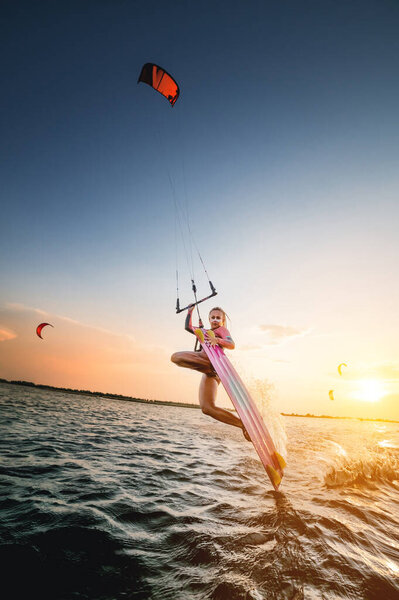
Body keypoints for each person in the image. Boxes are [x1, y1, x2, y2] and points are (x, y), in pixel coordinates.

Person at [171, 306, 251, 441]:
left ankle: (205, 365)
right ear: (209, 319)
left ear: (223, 320)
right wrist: (190, 311)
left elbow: (231, 344)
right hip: (209, 372)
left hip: (213, 365)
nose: (215, 320)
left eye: (218, 318)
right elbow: (188, 327)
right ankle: (243, 425)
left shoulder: (221, 330)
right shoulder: (206, 331)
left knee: (175, 357)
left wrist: (218, 340)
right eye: (212, 317)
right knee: (207, 408)